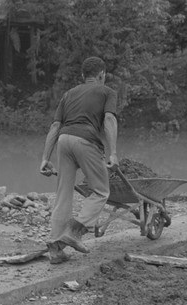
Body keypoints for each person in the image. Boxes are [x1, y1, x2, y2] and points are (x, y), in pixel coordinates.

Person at [39, 56, 119, 264]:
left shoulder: (69, 94)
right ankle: (75, 230)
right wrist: (113, 154)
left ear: (84, 76)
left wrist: (44, 159)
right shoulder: (107, 92)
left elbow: (55, 127)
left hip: (64, 141)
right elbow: (109, 119)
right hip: (85, 141)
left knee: (63, 195)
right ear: (102, 75)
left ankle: (55, 250)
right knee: (101, 191)